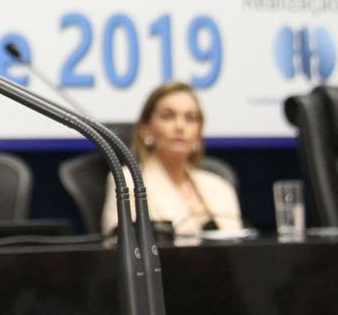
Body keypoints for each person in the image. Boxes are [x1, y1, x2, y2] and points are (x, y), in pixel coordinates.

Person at [101, 81, 243, 237]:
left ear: (199, 132)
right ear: (145, 129)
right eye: (168, 116)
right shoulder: (128, 182)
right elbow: (119, 243)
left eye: (190, 118)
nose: (180, 126)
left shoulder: (220, 187)